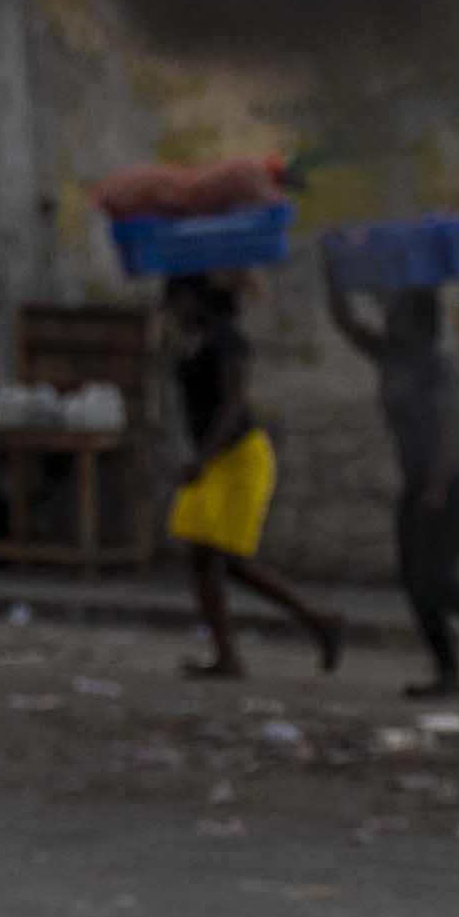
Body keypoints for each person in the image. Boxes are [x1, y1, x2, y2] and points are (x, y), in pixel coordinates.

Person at [323, 270, 459, 696]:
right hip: (421, 482)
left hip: (456, 482)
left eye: (400, 314)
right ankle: (448, 673)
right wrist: (334, 270)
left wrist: (437, 485)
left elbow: (448, 427)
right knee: (415, 580)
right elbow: (344, 320)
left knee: (436, 576)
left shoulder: (435, 367)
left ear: (422, 323)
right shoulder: (391, 355)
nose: (389, 320)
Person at [156, 272, 346, 679]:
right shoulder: (193, 342)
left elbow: (231, 406)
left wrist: (202, 458)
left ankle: (317, 622)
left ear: (197, 300)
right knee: (204, 558)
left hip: (239, 458)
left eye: (177, 300)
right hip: (214, 459)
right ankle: (236, 652)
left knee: (226, 560)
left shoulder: (229, 342)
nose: (170, 308)